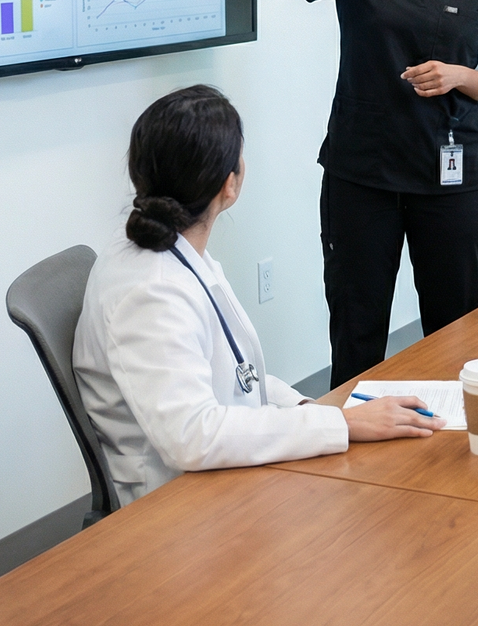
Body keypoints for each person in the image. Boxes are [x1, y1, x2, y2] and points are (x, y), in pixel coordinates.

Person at [125, 0, 478, 387]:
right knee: (357, 332)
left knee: (454, 329)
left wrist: (461, 75)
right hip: (360, 175)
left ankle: (451, 454)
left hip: (448, 180)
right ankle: (351, 452)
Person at [74, 86, 444, 504]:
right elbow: (193, 438)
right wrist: (340, 426)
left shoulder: (173, 254)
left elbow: (238, 373)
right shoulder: (150, 291)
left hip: (217, 474)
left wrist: (320, 413)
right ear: (229, 185)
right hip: (176, 507)